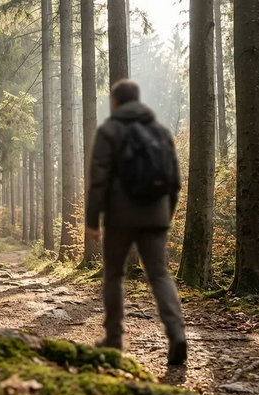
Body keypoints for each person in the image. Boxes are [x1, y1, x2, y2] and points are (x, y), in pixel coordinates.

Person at [85, 79, 187, 366]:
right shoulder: (160, 131)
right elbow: (175, 181)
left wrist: (92, 220)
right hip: (156, 214)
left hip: (120, 215)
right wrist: (166, 215)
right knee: (159, 274)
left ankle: (115, 338)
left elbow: (98, 179)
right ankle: (177, 333)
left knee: (114, 275)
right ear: (138, 100)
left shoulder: (110, 130)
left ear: (116, 102)